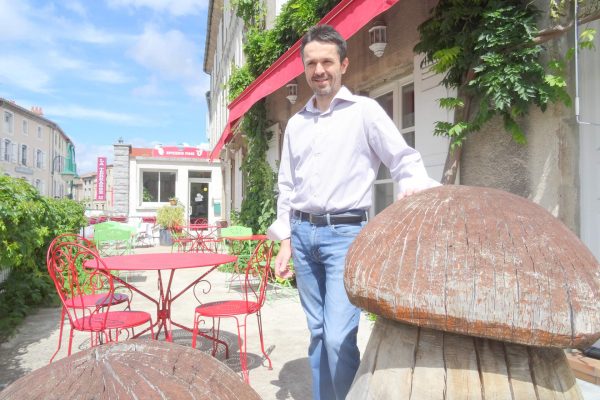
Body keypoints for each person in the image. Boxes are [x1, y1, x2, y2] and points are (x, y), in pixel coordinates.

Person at [267, 24, 439, 400]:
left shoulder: (365, 112)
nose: (319, 70)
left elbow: (403, 160)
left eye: (327, 61)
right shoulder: (296, 124)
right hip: (302, 234)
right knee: (317, 333)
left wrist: (414, 195)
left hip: (345, 237)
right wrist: (284, 241)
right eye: (311, 63)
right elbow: (287, 186)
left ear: (343, 64)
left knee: (338, 338)